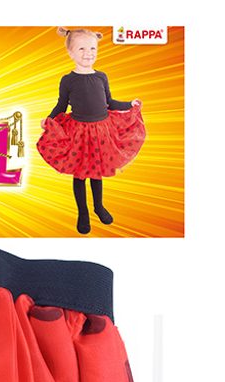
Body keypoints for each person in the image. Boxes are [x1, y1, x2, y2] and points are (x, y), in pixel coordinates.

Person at [36, 27, 146, 234]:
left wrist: (129, 104)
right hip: (79, 133)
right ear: (71, 52)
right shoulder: (68, 80)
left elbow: (109, 102)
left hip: (102, 133)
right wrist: (49, 120)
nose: (88, 53)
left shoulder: (101, 77)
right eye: (82, 49)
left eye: (92, 48)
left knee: (97, 173)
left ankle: (98, 207)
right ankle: (83, 212)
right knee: (80, 175)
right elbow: (61, 105)